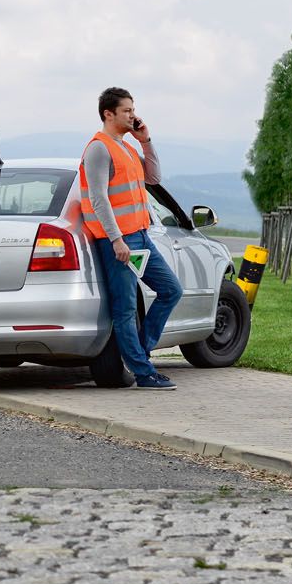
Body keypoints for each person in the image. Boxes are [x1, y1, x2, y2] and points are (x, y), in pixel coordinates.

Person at [79, 87, 182, 391]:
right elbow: (99, 199)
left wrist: (146, 141)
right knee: (124, 309)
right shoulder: (98, 148)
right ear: (108, 114)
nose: (133, 115)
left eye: (133, 109)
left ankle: (140, 351)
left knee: (170, 291)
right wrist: (115, 240)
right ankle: (144, 372)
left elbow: (153, 179)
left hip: (140, 236)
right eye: (126, 110)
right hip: (119, 242)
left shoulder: (125, 146)